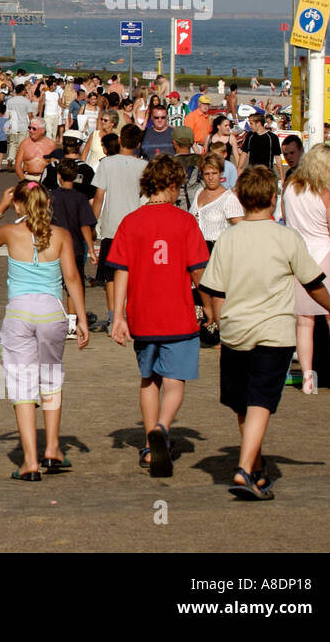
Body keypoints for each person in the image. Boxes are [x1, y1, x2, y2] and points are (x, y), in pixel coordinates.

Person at [199, 166, 330, 500]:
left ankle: (254, 465)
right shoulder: (286, 237)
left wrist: (219, 322)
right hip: (274, 331)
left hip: (235, 330)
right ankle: (244, 468)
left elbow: (212, 288)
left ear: (239, 197)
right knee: (261, 401)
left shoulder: (228, 238)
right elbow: (313, 283)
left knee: (242, 403)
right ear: (273, 198)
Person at [0, 181, 89, 480]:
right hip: (53, 311)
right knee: (51, 378)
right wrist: (79, 319)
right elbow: (72, 278)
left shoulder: (11, 232)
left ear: (18, 205)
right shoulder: (62, 235)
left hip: (19, 312)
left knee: (22, 384)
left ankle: (30, 461)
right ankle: (52, 448)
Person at [108, 155, 210, 478]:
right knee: (174, 382)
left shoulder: (130, 221)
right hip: (177, 315)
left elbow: (120, 270)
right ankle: (163, 429)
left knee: (148, 379)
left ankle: (151, 446)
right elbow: (198, 272)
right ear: (172, 184)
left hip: (142, 314)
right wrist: (209, 306)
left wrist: (118, 315)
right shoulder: (185, 222)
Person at [282, 143, 330, 394]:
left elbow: (287, 222)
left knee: (303, 321)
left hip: (299, 255)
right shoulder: (328, 194)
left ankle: (307, 377)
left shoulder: (289, 188)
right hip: (324, 254)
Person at [91, 125, 145, 329]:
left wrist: (92, 225)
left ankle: (114, 317)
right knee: (133, 274)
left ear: (120, 140)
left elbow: (98, 198)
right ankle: (130, 315)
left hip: (111, 226)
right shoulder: (143, 166)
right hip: (136, 227)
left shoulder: (106, 164)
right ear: (138, 144)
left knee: (110, 276)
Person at [49, 158, 98, 318]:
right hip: (75, 247)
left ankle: (51, 317)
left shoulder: (51, 197)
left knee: (54, 284)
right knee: (74, 284)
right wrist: (91, 249)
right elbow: (85, 225)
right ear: (76, 175)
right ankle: (72, 323)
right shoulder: (80, 198)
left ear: (59, 175)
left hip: (53, 248)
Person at [15, 115, 56, 182]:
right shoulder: (24, 143)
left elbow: (54, 165)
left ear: (42, 131)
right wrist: (24, 181)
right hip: (28, 177)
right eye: (29, 128)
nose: (30, 130)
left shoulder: (51, 144)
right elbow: (17, 165)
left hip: (45, 179)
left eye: (34, 128)